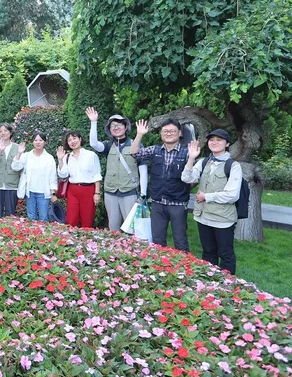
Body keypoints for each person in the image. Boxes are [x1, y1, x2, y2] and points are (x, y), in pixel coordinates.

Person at [181, 129, 242, 274]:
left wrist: (207, 197)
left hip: (223, 219)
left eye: (219, 140)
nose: (214, 142)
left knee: (225, 253)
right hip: (203, 217)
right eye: (212, 139)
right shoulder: (203, 162)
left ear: (227, 143)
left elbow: (232, 195)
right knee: (208, 252)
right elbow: (186, 178)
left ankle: (227, 284)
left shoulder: (233, 166)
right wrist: (191, 158)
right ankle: (210, 282)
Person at [130, 118, 191, 251]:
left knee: (180, 240)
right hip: (158, 202)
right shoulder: (155, 150)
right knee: (157, 240)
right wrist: (139, 134)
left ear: (180, 133)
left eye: (172, 131)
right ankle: (161, 267)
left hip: (178, 204)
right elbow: (134, 153)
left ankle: (183, 269)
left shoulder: (187, 152)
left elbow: (193, 177)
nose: (169, 133)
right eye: (165, 131)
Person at [86, 107, 148, 231]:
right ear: (109, 130)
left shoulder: (136, 144)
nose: (116, 127)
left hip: (130, 192)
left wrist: (143, 193)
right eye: (113, 125)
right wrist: (93, 122)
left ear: (126, 127)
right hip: (111, 193)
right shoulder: (108, 145)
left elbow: (143, 169)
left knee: (133, 228)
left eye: (119, 124)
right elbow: (93, 144)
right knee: (113, 228)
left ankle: (133, 250)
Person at [57, 131, 102, 228]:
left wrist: (97, 193)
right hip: (73, 190)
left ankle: (86, 241)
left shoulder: (91, 155)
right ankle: (70, 240)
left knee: (87, 219)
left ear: (80, 139)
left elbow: (97, 175)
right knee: (71, 219)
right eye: (69, 140)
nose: (72, 141)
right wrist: (60, 160)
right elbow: (63, 174)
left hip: (88, 190)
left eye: (74, 138)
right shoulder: (67, 157)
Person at [11, 131, 58, 221]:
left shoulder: (49, 158)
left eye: (40, 140)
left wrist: (53, 193)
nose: (38, 142)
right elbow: (15, 167)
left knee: (43, 217)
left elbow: (53, 176)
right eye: (35, 140)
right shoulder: (27, 156)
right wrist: (19, 153)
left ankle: (44, 235)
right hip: (30, 192)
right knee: (31, 217)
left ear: (45, 142)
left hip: (43, 193)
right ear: (32, 142)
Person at [0, 123, 21, 217]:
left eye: (5, 130)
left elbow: (19, 167)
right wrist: (0, 150)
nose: (3, 133)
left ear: (10, 132)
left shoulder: (18, 147)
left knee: (10, 214)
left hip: (12, 184)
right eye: (0, 131)